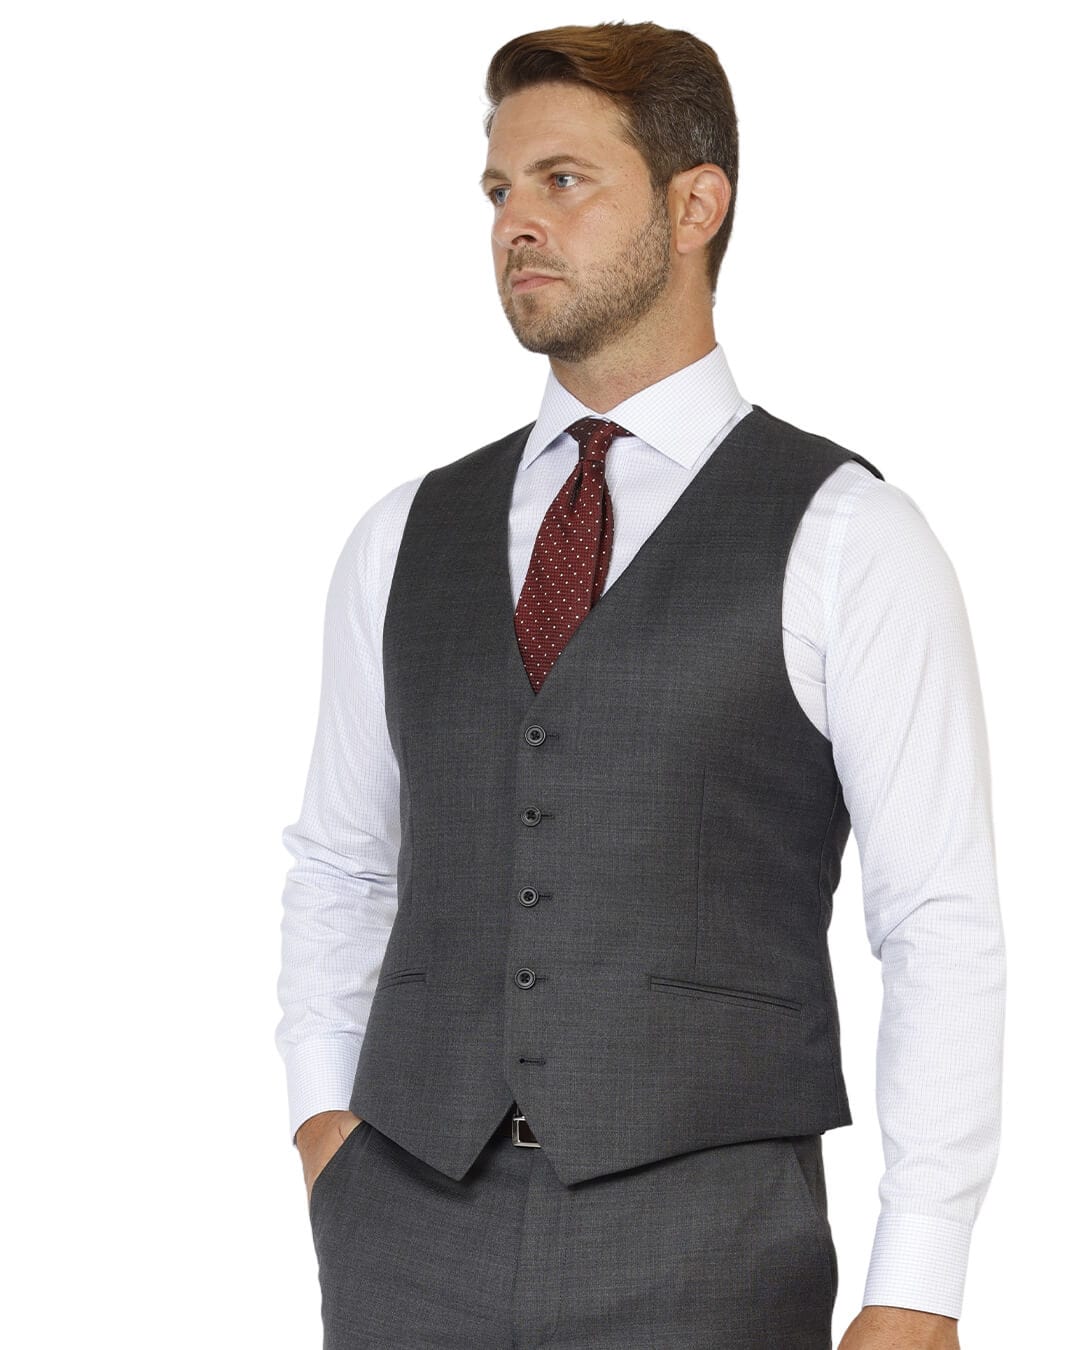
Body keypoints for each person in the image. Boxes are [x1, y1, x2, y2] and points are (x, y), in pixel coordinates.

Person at [275, 21, 1005, 1350]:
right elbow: (342, 865)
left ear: (695, 203)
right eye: (499, 190)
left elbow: (936, 919)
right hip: (404, 1234)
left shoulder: (850, 537)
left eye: (563, 180)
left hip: (709, 1247)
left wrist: (918, 1283)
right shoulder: (402, 536)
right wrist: (330, 1136)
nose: (517, 222)